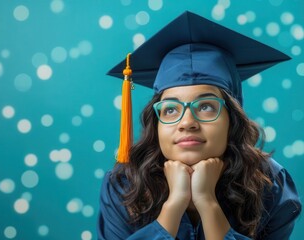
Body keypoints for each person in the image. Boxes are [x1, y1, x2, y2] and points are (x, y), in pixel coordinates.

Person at [97, 11, 301, 239]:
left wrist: (208, 203)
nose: (187, 123)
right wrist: (173, 207)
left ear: (232, 120)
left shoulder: (270, 185)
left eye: (206, 106)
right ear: (156, 123)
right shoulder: (124, 185)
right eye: (171, 109)